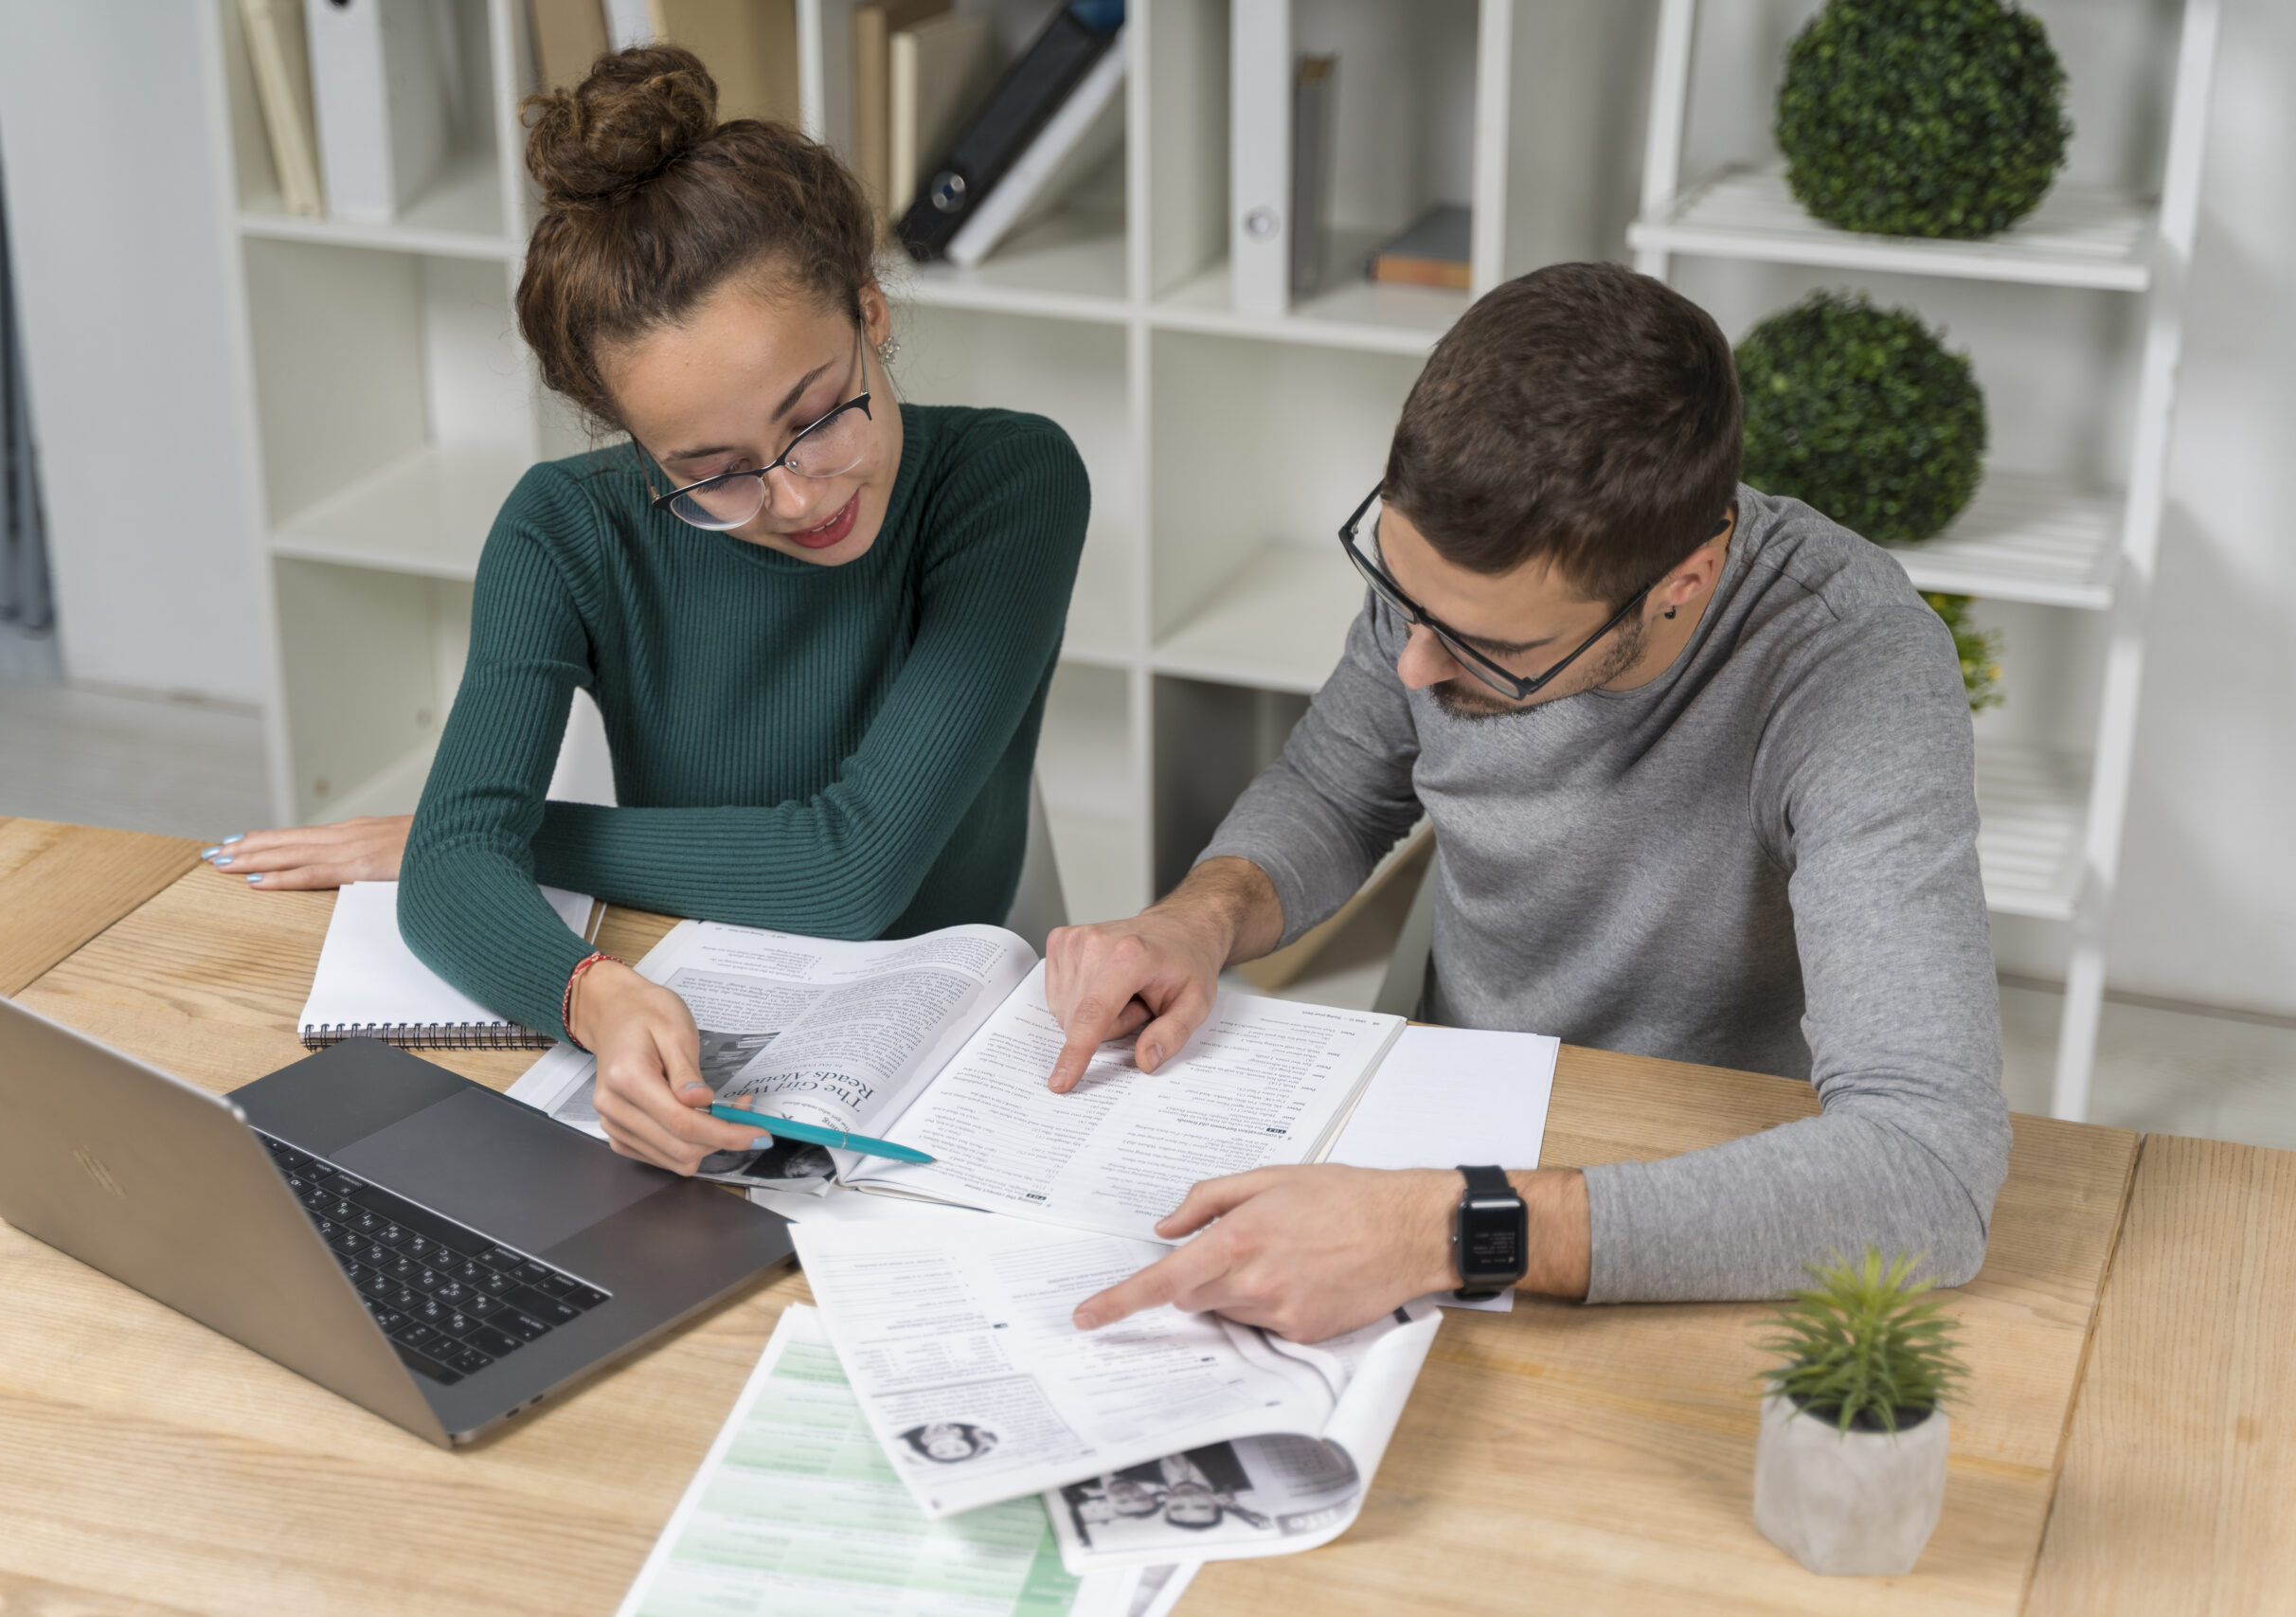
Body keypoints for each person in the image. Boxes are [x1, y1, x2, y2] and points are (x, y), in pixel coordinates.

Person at [1045, 262, 2010, 1342]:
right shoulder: (1456, 583)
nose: (1413, 664)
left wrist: (1450, 1231)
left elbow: (1927, 1168)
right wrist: (1201, 915)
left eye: (1492, 650)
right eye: (1400, 597)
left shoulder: (1856, 672)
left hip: (1701, 1189)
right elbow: (1333, 786)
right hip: (1440, 1131)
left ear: (1681, 584)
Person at [203, 47, 1087, 1177]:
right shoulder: (563, 529)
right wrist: (590, 996)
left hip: (946, 1045)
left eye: (818, 417)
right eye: (711, 472)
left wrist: (502, 836)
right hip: (696, 989)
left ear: (871, 313)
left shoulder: (1011, 481)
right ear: (630, 440)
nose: (798, 495)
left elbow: (849, 872)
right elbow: (454, 880)